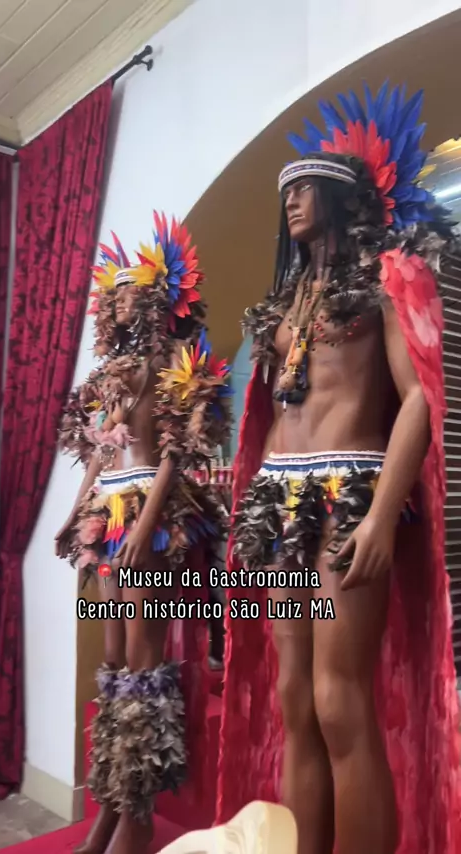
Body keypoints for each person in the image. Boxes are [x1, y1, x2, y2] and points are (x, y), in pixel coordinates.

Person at [216, 82, 461, 854]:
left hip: (348, 496)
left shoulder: (388, 278)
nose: (290, 201)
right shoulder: (283, 304)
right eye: (285, 191)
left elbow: (420, 398)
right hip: (281, 505)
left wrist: (383, 513)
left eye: (305, 187)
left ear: (342, 196)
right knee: (295, 699)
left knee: (339, 701)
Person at [55, 213, 231, 854]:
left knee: (142, 666)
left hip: (148, 520)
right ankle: (108, 806)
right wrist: (75, 513)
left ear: (157, 300)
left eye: (135, 292)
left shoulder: (172, 362)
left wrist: (149, 521)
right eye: (118, 294)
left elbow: (176, 452)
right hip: (109, 515)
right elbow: (104, 449)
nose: (123, 301)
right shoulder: (111, 370)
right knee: (111, 664)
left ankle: (136, 816)